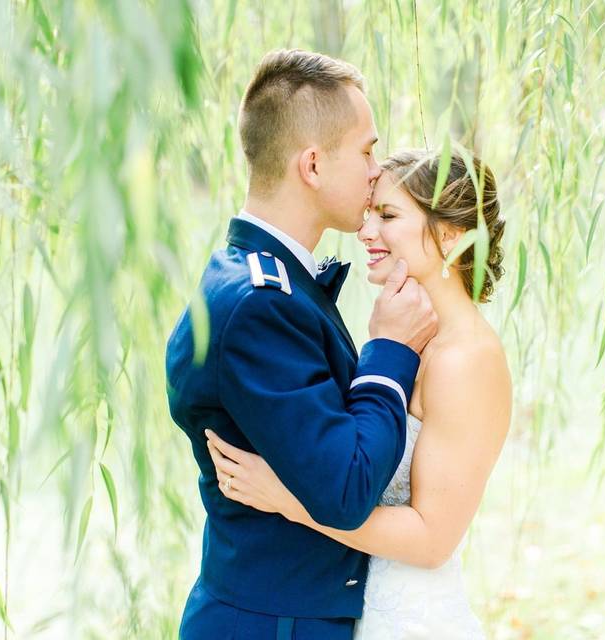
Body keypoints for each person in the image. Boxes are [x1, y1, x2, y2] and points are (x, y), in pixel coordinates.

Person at [165, 49, 439, 639]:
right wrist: (390, 351)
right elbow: (345, 488)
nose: (376, 170)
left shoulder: (258, 279)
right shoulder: (259, 303)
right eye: (366, 150)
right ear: (312, 165)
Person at [206, 149, 512, 638]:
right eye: (369, 213)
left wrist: (287, 499)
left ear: (452, 234)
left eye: (388, 216)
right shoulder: (409, 341)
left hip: (413, 620)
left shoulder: (467, 360)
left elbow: (433, 539)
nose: (366, 231)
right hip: (354, 607)